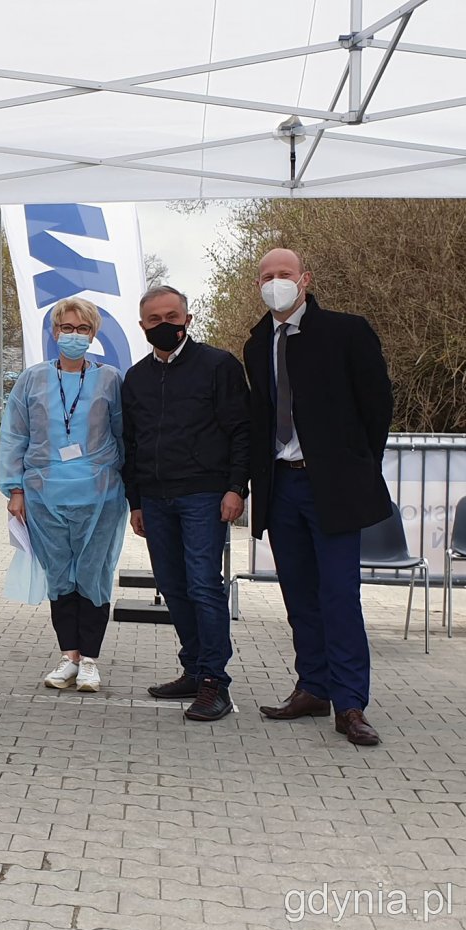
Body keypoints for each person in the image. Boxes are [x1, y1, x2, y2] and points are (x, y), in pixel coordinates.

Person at [244, 248, 394, 747]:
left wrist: (353, 465)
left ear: (304, 279)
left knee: (339, 596)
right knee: (300, 597)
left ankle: (350, 703)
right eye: (267, 276)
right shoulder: (256, 342)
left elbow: (377, 405)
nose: (275, 283)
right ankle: (313, 686)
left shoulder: (347, 331)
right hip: (281, 486)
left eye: (283, 274)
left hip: (330, 487)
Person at [121, 285, 250, 722]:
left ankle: (216, 682)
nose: (165, 325)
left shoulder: (218, 366)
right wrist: (134, 501)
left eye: (172, 317)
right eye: (154, 320)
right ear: (142, 327)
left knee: (202, 585)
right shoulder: (136, 379)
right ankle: (193, 669)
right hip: (155, 500)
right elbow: (131, 445)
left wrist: (237, 488)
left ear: (188, 319)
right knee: (173, 587)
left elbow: (241, 431)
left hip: (204, 495)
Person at [0, 297, 127, 692]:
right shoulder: (32, 380)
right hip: (44, 495)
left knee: (94, 574)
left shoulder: (109, 379)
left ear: (94, 334)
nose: (73, 336)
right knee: (60, 577)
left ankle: (90, 660)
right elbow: (14, 435)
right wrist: (15, 489)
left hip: (100, 495)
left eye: (82, 329)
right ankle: (69, 656)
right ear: (54, 333)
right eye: (66, 329)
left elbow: (123, 436)